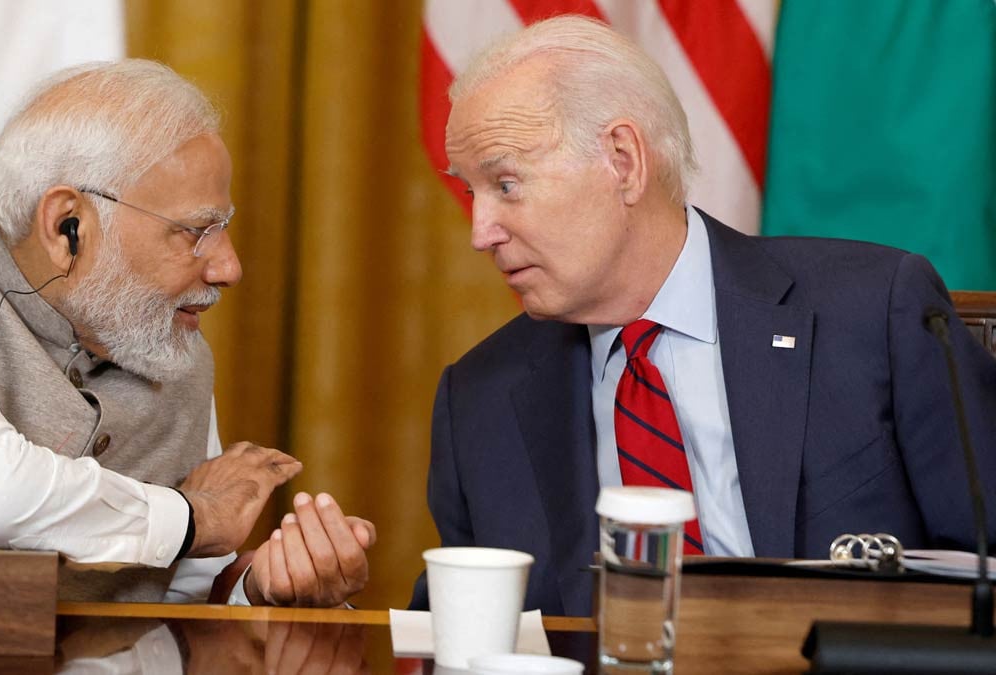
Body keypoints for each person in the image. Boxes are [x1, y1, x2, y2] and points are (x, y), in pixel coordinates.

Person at [410, 15, 996, 617]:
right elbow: (465, 629)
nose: (481, 232)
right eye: (470, 192)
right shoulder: (480, 399)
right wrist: (328, 602)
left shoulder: (873, 313)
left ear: (623, 160)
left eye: (506, 184)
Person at [0, 60, 374, 607]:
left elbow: (185, 590)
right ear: (65, 225)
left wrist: (262, 588)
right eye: (196, 232)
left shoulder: (165, 340)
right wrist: (193, 517)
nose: (229, 267)